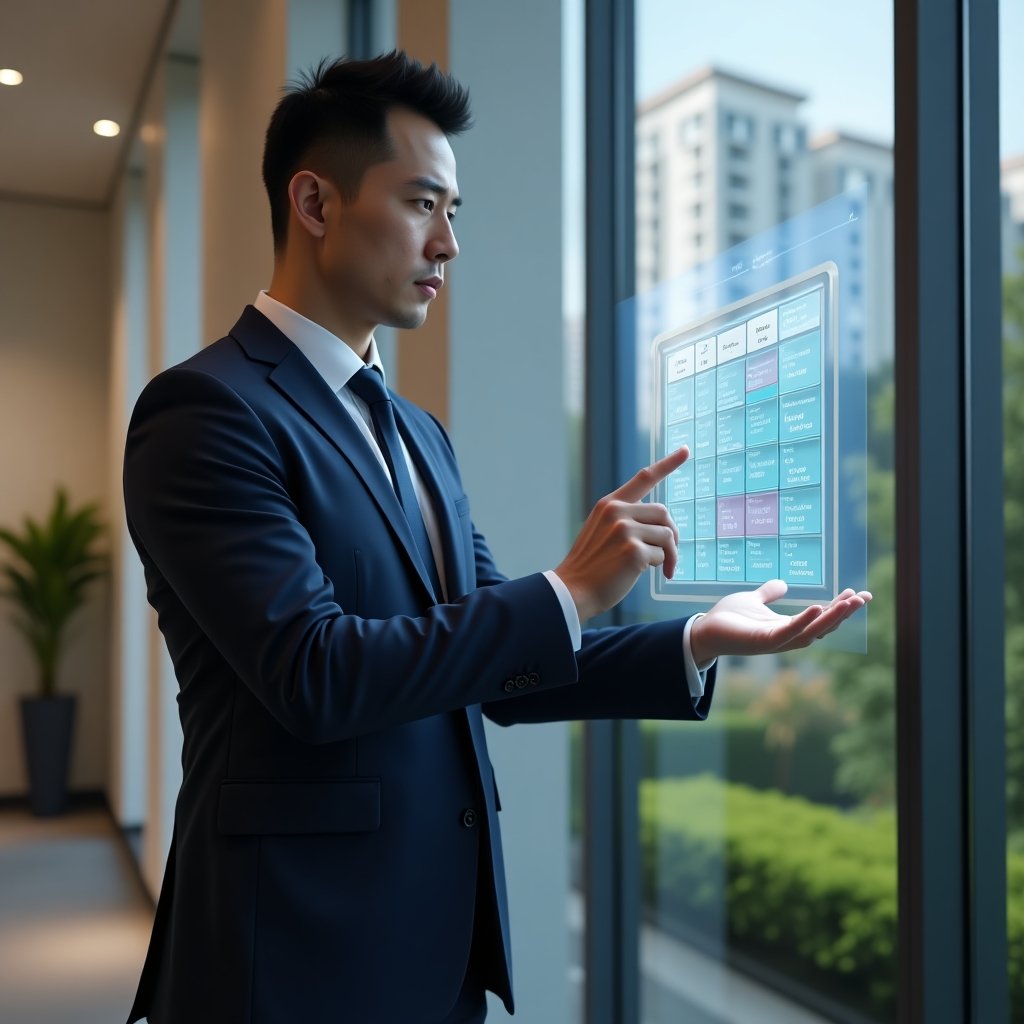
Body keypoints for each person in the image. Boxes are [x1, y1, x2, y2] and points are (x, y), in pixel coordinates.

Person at [123, 50, 869, 1024]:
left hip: (434, 944)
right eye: (423, 204)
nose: (449, 245)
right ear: (314, 204)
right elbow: (312, 671)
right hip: (293, 952)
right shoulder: (204, 411)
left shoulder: (416, 430)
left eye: (456, 212)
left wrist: (696, 639)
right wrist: (567, 588)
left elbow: (496, 661)